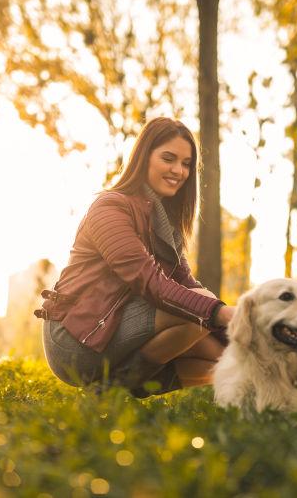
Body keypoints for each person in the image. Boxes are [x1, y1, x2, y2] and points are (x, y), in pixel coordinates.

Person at [38, 117, 235, 397]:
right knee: (200, 311)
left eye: (186, 163)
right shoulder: (109, 208)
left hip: (117, 328)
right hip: (75, 339)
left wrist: (249, 336)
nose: (178, 170)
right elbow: (150, 283)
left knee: (227, 358)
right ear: (144, 157)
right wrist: (223, 313)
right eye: (168, 158)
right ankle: (112, 393)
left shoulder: (165, 223)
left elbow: (186, 285)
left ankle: (121, 389)